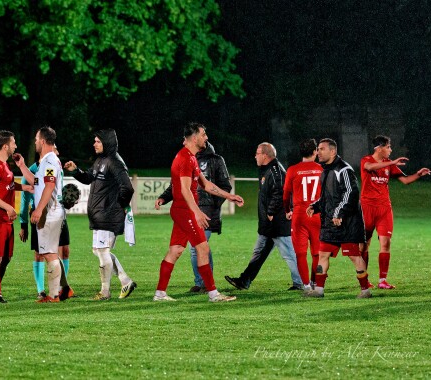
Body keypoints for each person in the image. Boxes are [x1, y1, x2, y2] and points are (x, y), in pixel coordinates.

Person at [154, 123, 244, 303]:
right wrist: (196, 212)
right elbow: (186, 191)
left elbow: (206, 185)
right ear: (194, 138)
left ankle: (160, 293)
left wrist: (230, 195)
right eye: (204, 134)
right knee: (203, 248)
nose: (206, 137)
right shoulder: (185, 159)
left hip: (182, 211)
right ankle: (213, 294)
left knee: (176, 250)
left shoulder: (191, 157)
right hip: (185, 211)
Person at [65, 129, 137, 300]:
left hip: (108, 215)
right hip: (100, 215)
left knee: (102, 251)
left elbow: (127, 188)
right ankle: (125, 280)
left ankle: (105, 292)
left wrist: (118, 206)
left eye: (97, 141)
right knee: (97, 250)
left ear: (107, 142)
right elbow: (89, 177)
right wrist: (76, 171)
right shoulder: (100, 160)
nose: (94, 144)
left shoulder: (114, 162)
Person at [225, 143, 303, 291]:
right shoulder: (266, 170)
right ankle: (244, 280)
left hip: (277, 222)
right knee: (259, 253)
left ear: (265, 156)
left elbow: (280, 193)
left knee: (288, 254)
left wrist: (271, 212)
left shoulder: (275, 171)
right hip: (268, 223)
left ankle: (301, 283)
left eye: (257, 153)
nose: (255, 156)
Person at [359, 135, 430, 289]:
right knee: (364, 246)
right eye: (388, 147)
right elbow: (369, 168)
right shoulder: (366, 160)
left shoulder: (388, 164)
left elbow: (404, 180)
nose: (390, 150)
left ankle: (382, 281)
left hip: (384, 209)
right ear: (380, 147)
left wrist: (418, 174)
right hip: (366, 208)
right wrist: (393, 162)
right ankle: (364, 280)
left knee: (385, 243)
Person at [304, 138, 371, 298]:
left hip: (347, 223)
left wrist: (339, 213)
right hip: (330, 224)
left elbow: (351, 194)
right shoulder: (326, 170)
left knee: (354, 256)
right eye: (318, 149)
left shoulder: (344, 169)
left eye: (321, 149)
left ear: (332, 151)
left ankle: (365, 291)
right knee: (323, 255)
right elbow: (328, 197)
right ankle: (319, 290)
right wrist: (316, 206)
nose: (318, 152)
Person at [0, 130, 32, 303]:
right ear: (5, 146)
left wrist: (24, 188)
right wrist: (8, 207)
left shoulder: (5, 165)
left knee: (6, 257)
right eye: (13, 143)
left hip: (6, 218)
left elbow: (8, 185)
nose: (16, 146)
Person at [29, 126, 68, 303]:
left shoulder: (50, 161)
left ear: (43, 141)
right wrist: (22, 166)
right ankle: (57, 292)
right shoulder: (47, 161)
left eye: (37, 139)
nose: (35, 142)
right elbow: (37, 183)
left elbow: (50, 185)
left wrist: (38, 210)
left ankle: (54, 295)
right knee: (48, 252)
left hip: (49, 213)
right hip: (50, 212)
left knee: (49, 253)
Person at [282, 139, 324, 290]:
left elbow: (286, 196)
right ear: (315, 152)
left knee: (300, 253)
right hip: (318, 214)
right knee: (317, 253)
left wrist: (288, 211)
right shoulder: (322, 169)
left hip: (300, 215)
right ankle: (315, 282)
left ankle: (306, 285)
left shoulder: (293, 170)